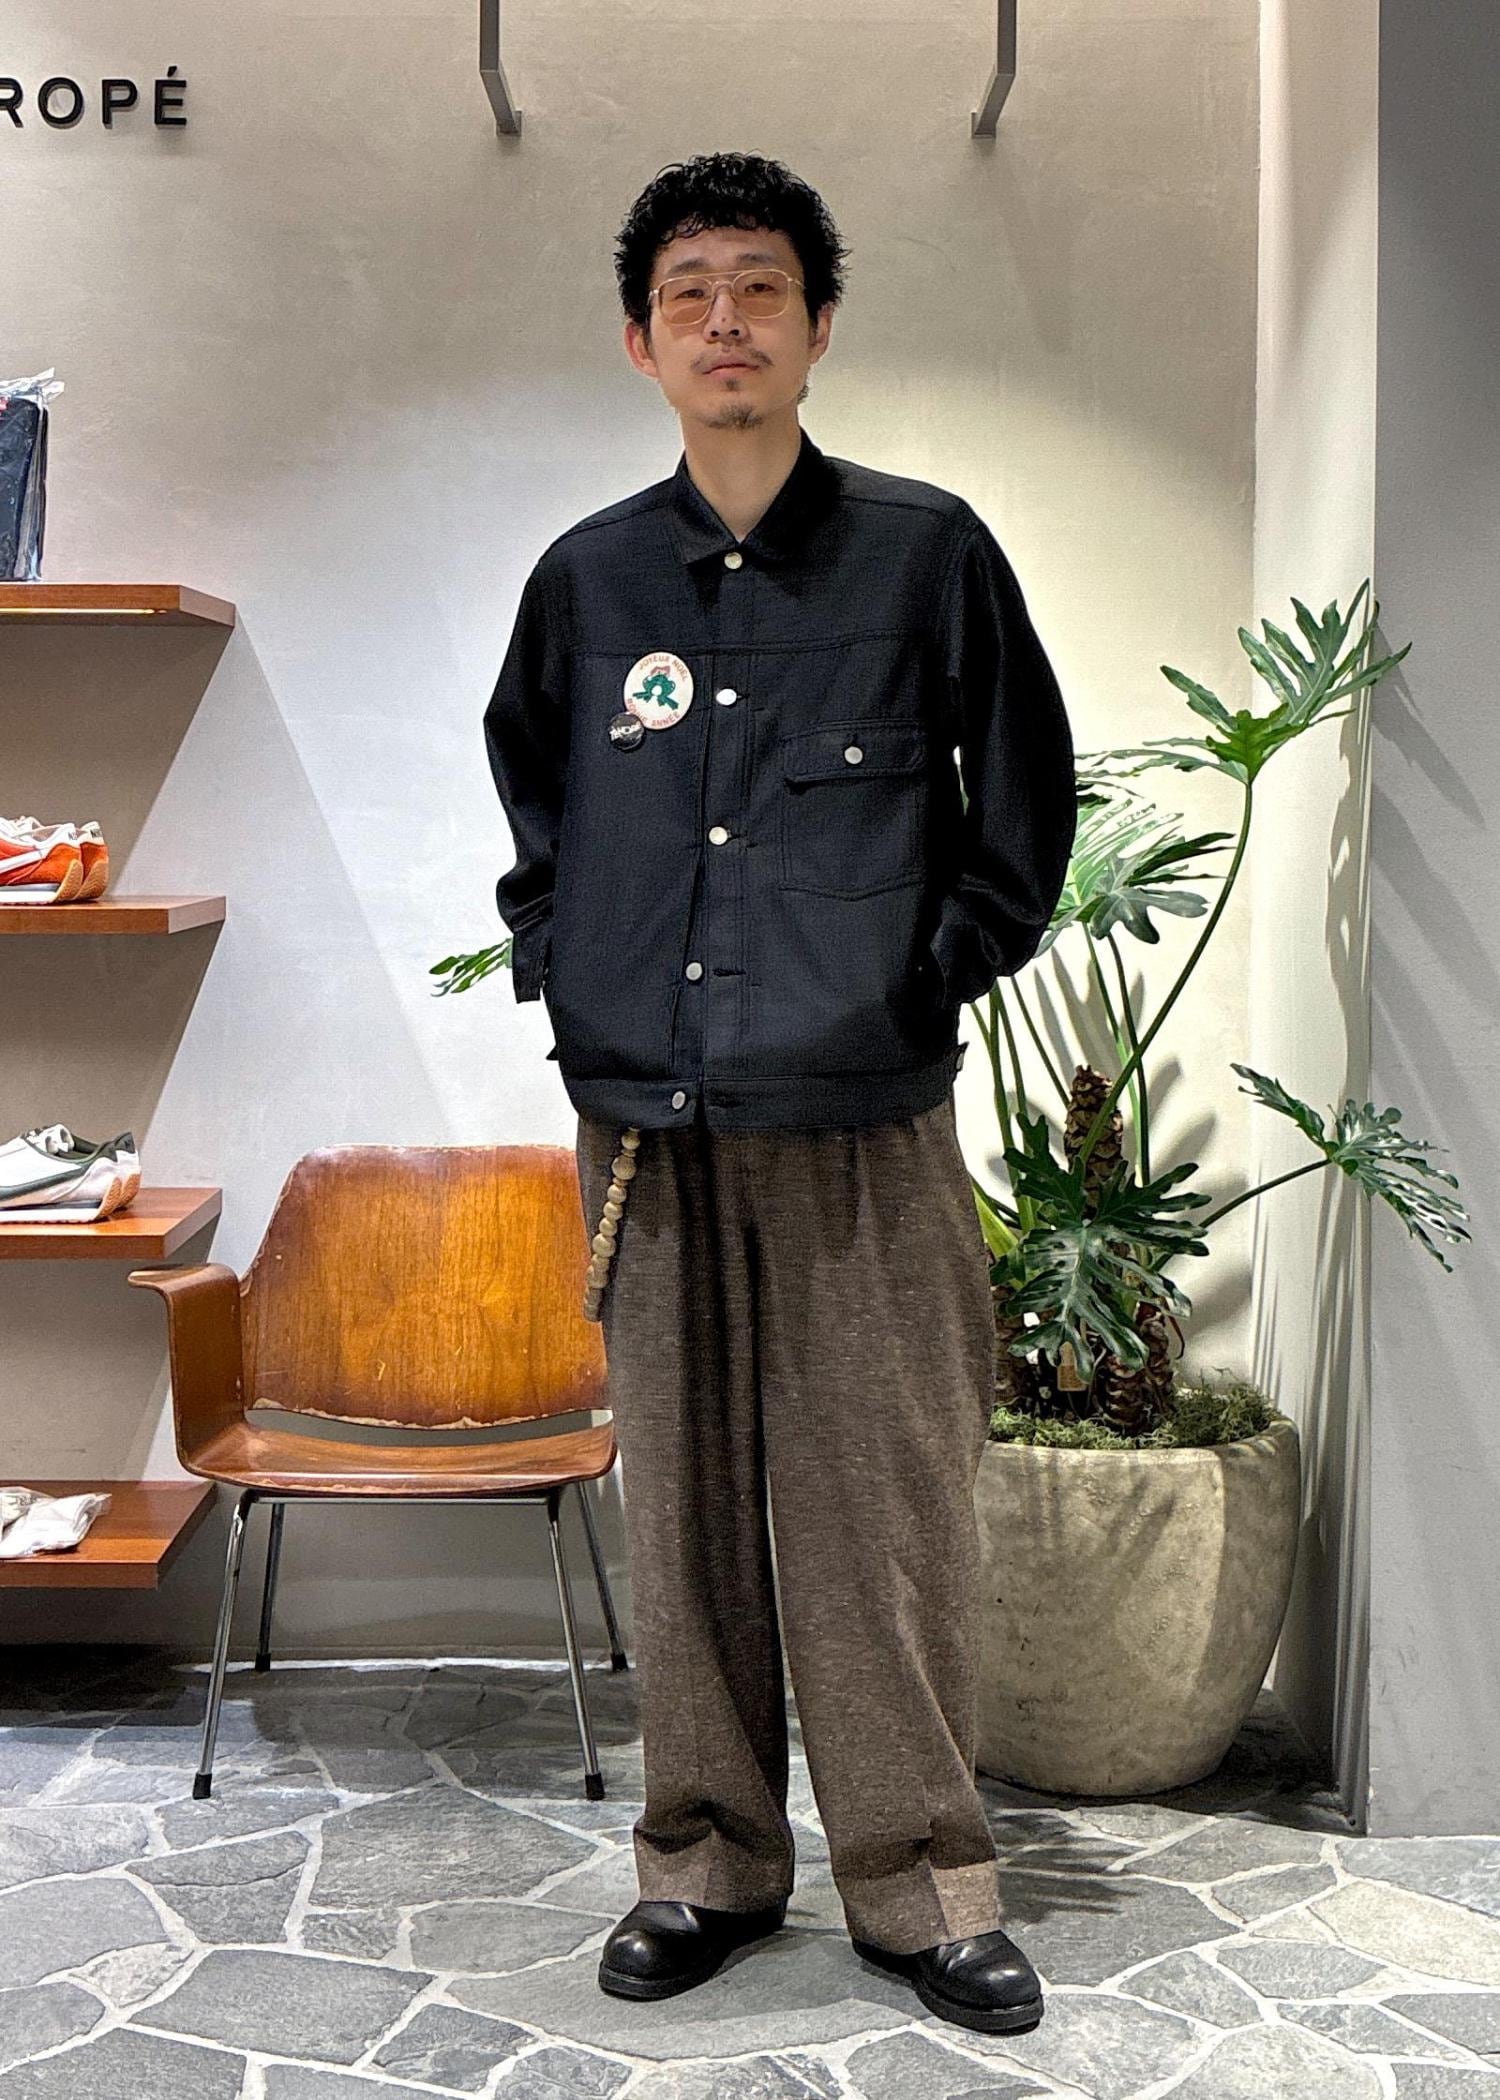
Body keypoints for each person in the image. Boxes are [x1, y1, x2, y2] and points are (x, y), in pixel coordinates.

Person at [483, 150, 1076, 2036]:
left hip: (862, 1121)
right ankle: (707, 1865)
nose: (724, 322)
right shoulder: (589, 580)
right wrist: (565, 961)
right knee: (684, 1520)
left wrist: (924, 973)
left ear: (819, 327)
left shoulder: (925, 552)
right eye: (689, 295)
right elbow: (537, 803)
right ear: (641, 343)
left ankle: (923, 1885)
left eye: (759, 288)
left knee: (878, 1515)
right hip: (646, 1126)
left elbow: (1022, 806)